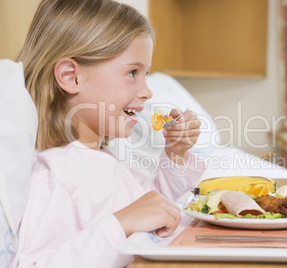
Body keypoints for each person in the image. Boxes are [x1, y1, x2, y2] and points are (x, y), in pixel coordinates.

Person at [10, 0, 205, 267]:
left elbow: (156, 208)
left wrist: (175, 154)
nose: (147, 90)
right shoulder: (52, 176)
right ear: (71, 77)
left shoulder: (105, 159)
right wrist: (120, 225)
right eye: (132, 72)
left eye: (145, 74)